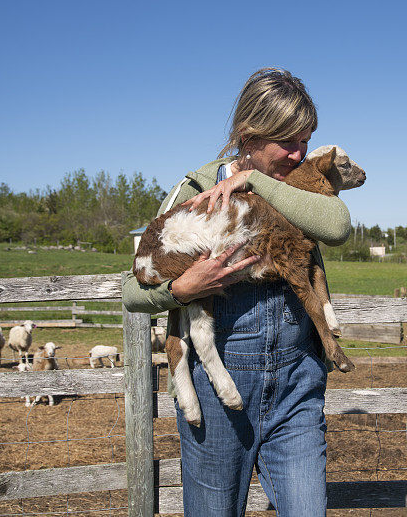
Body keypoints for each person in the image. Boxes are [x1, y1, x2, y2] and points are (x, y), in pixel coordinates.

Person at [122, 68, 352, 516]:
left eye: (305, 139)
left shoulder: (297, 187)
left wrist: (256, 182)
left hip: (296, 384)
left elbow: (338, 225)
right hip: (219, 389)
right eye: (287, 141)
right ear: (249, 137)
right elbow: (131, 292)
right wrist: (181, 288)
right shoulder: (198, 188)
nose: (299, 152)